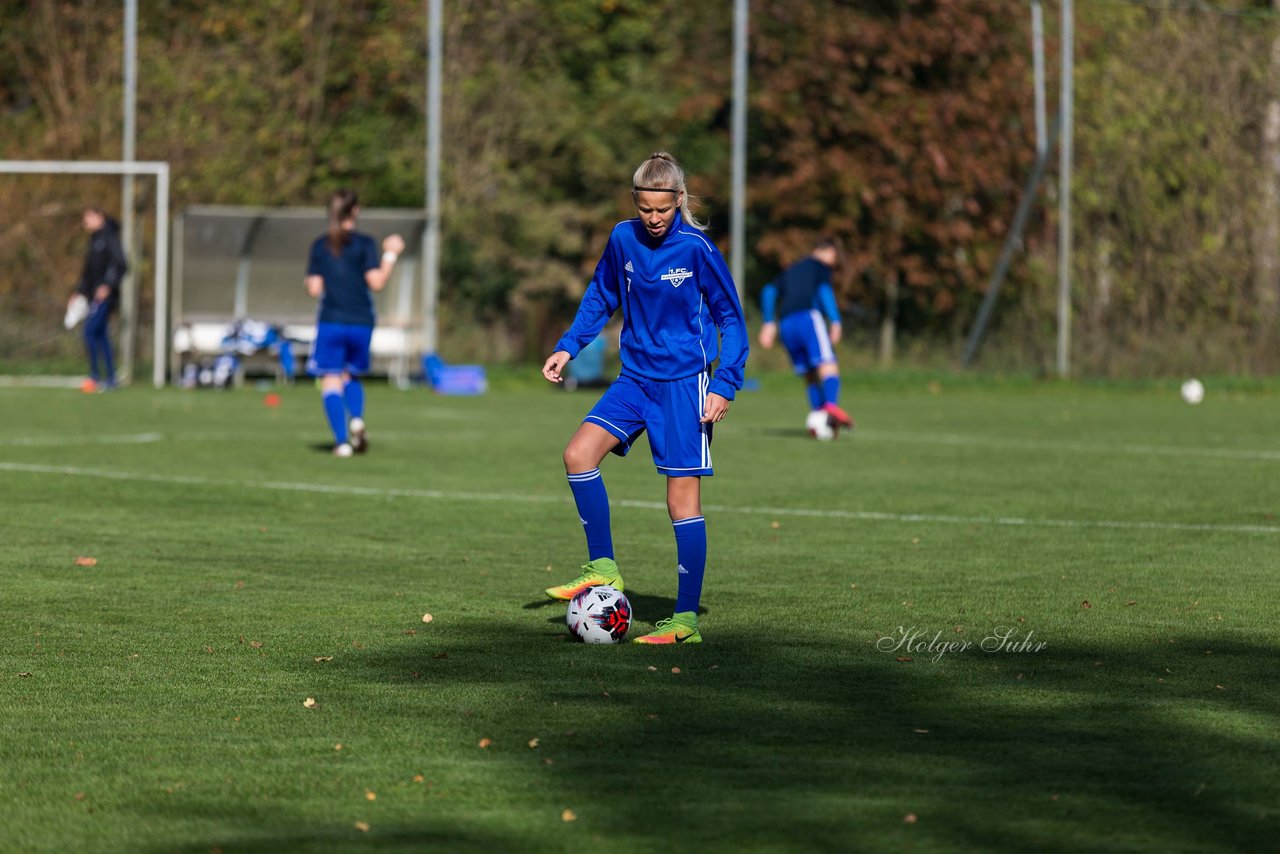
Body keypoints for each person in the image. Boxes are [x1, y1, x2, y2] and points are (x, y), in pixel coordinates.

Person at [541, 152, 748, 644]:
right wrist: (568, 345)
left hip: (685, 384)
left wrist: (724, 384)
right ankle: (604, 566)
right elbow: (601, 295)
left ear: (679, 201)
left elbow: (732, 320)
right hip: (634, 379)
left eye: (663, 209)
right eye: (645, 209)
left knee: (681, 501)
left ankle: (684, 622)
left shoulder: (697, 248)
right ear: (636, 202)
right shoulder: (622, 238)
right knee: (577, 454)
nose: (653, 219)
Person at [304, 190, 404, 457]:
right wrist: (391, 254)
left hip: (331, 321)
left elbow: (314, 289)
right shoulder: (365, 244)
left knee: (330, 378)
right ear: (355, 211)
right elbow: (377, 282)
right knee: (350, 374)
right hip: (361, 321)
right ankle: (357, 419)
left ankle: (341, 442)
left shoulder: (320, 246)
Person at [757, 237, 855, 430]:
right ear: (827, 252)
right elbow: (824, 290)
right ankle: (831, 408)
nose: (832, 264)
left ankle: (819, 418)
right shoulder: (819, 266)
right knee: (828, 365)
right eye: (833, 259)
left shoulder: (791, 270)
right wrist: (835, 321)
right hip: (807, 319)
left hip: (786, 324)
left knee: (810, 374)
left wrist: (769, 323)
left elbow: (768, 291)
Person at [72, 206, 128, 392]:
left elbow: (121, 264)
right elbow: (89, 272)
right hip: (93, 295)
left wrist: (107, 286)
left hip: (105, 297)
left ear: (99, 217)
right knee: (101, 335)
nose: (85, 222)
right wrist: (79, 291)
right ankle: (111, 378)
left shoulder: (109, 237)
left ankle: (95, 377)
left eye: (88, 217)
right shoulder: (95, 240)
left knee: (89, 331)